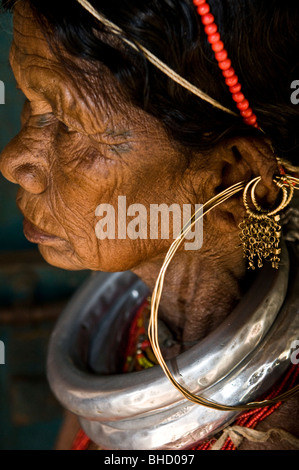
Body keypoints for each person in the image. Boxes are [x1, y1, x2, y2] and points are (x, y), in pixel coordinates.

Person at [0, 0, 299, 450]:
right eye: (30, 101)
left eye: (67, 123)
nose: (12, 162)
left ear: (234, 174)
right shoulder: (110, 350)